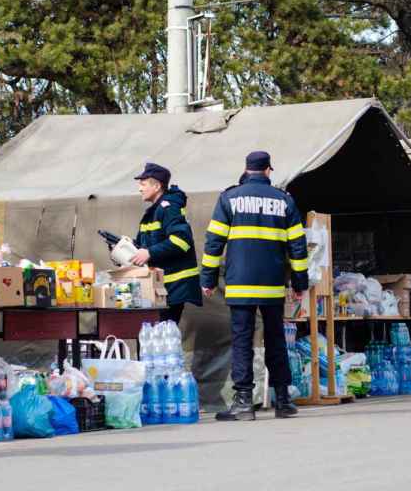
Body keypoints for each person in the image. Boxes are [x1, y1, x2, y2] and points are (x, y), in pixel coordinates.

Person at [201, 151, 309, 421]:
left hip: (240, 286)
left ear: (246, 169)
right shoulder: (284, 200)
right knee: (276, 340)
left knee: (242, 343)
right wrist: (299, 283)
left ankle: (243, 403)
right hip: (272, 285)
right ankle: (283, 400)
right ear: (268, 170)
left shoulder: (229, 198)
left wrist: (208, 279)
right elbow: (298, 246)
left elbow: (213, 242)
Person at [131, 163, 203, 323]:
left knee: (165, 333)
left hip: (174, 287)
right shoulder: (153, 212)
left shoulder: (169, 208)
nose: (139, 189)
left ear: (157, 186)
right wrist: (128, 247)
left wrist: (149, 253)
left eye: (143, 184)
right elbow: (145, 245)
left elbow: (181, 241)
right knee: (158, 332)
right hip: (161, 287)